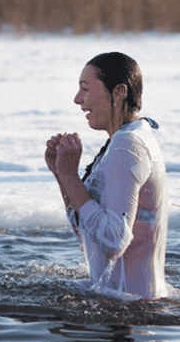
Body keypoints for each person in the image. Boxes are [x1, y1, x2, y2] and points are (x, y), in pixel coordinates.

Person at [45, 52, 170, 300]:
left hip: (130, 317)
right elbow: (88, 233)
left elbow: (113, 242)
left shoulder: (128, 145)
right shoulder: (124, 141)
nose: (78, 99)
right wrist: (62, 175)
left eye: (86, 89)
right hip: (128, 305)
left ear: (118, 92)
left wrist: (71, 176)